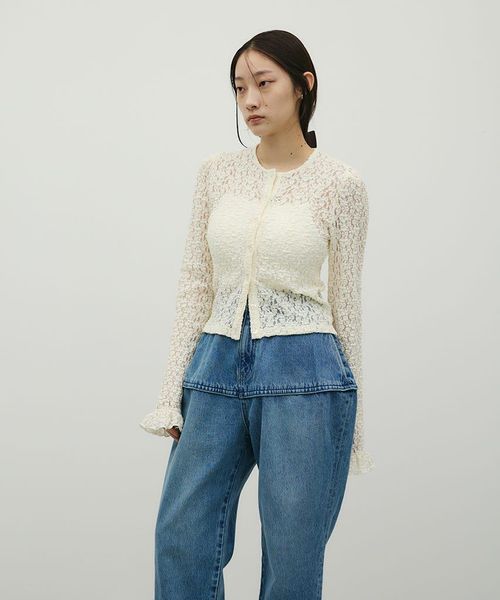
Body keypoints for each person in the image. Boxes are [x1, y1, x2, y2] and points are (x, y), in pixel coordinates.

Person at [140, 29, 374, 600]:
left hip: (306, 373)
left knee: (293, 554)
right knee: (181, 536)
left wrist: (354, 426)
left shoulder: (341, 184)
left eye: (264, 84)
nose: (250, 100)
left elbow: (346, 302)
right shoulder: (216, 173)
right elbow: (196, 284)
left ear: (303, 86)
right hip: (214, 365)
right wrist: (170, 393)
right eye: (240, 87)